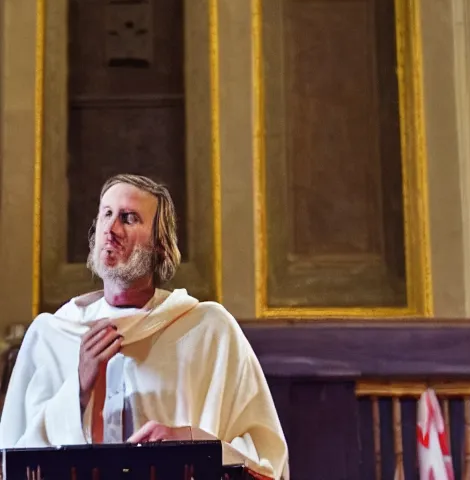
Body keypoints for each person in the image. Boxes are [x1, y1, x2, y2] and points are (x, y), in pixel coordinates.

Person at [0, 174, 288, 479]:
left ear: (160, 246)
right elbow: (12, 460)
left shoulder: (209, 331)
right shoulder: (51, 335)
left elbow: (267, 461)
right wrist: (79, 390)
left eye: (128, 218)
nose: (111, 230)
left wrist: (190, 442)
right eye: (106, 214)